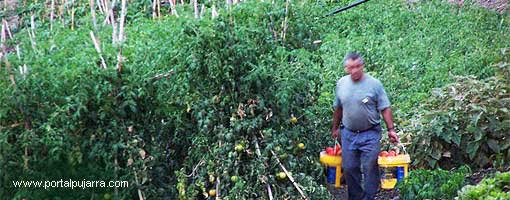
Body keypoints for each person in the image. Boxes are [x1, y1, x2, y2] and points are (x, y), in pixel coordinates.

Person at [331, 52, 399, 200]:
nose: (354, 70)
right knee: (349, 167)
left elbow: (385, 108)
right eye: (350, 67)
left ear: (362, 66)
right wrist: (335, 128)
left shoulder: (374, 84)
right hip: (348, 133)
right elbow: (338, 108)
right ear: (346, 68)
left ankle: (369, 197)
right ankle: (356, 197)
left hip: (370, 133)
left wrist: (391, 130)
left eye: (357, 67)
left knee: (369, 167)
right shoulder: (341, 84)